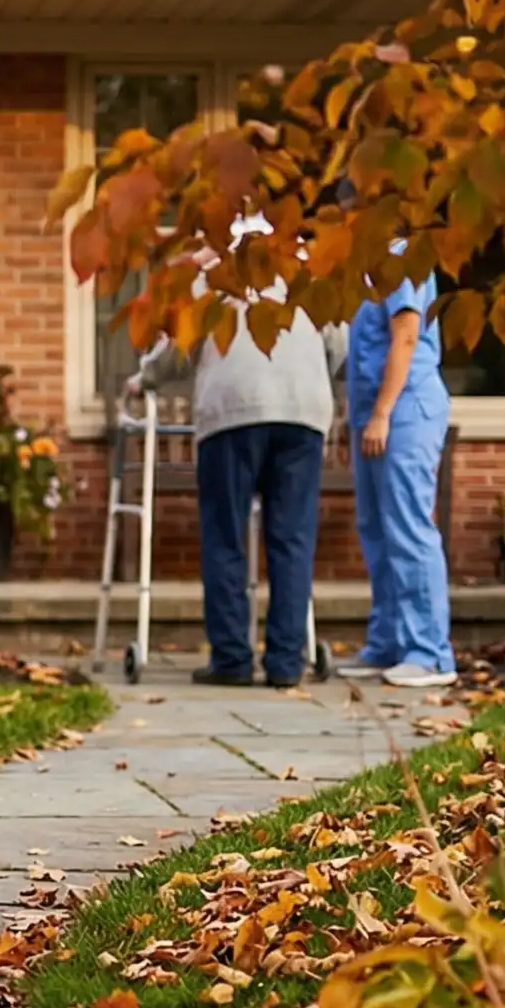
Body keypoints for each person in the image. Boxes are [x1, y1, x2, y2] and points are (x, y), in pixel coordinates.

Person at [189, 228, 334, 688]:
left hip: (231, 413)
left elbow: (175, 344)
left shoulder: (211, 275)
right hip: (302, 412)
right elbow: (339, 343)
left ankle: (232, 660)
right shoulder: (307, 272)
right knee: (291, 538)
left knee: (225, 535)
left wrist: (144, 380)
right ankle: (286, 663)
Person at [344, 245, 457, 689]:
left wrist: (383, 411)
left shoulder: (399, 260)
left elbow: (407, 333)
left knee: (408, 527)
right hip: (377, 412)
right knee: (376, 528)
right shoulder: (368, 266)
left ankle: (429, 653)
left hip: (404, 411)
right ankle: (388, 643)